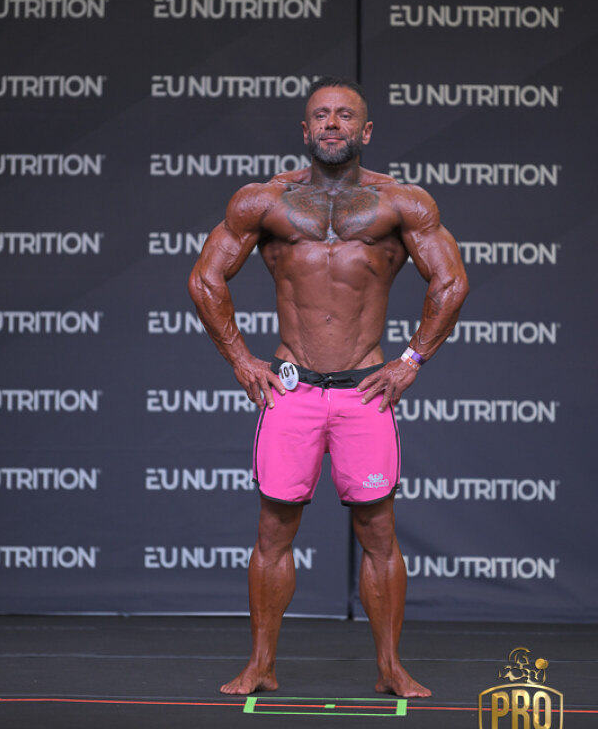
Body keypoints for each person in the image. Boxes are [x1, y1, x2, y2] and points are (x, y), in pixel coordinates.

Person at [188, 76, 468, 697]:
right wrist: (239, 358)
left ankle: (390, 668)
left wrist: (411, 360)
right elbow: (206, 279)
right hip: (291, 391)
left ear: (365, 131)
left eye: (344, 116)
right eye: (321, 116)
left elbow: (451, 282)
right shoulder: (266, 202)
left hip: (365, 391)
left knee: (379, 534)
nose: (332, 125)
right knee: (272, 532)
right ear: (305, 129)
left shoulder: (402, 203)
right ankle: (261, 664)